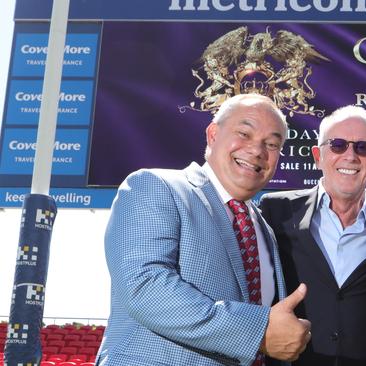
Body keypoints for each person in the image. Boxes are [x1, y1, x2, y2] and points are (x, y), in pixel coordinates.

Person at [97, 94, 311, 366]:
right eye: (244, 133)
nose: (257, 151)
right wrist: (257, 334)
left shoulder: (263, 229)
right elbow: (145, 287)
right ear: (212, 134)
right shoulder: (155, 186)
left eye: (271, 144)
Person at [258, 106, 366, 366]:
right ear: (318, 155)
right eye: (337, 145)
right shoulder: (275, 210)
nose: (350, 156)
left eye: (362, 147)